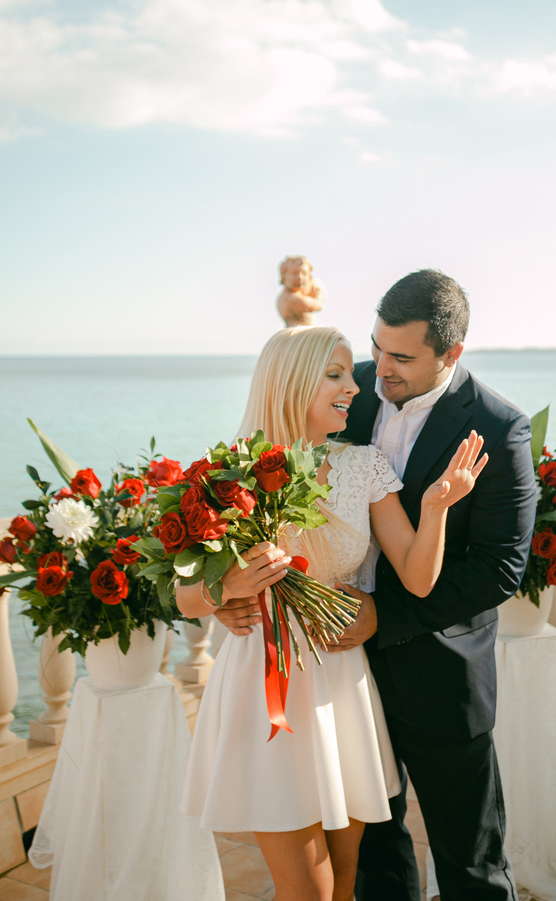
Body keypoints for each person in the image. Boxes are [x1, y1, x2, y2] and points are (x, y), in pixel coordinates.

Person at [218, 270, 538, 901]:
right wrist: (230, 597)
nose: (377, 369)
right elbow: (289, 398)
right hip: (336, 684)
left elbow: (500, 567)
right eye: (376, 347)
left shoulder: (500, 428)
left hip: (437, 673)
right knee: (371, 864)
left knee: (469, 857)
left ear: (450, 354)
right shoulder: (349, 388)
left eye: (401, 357)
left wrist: (377, 617)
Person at [177, 324, 487, 901]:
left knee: (344, 883)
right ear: (293, 382)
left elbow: (418, 579)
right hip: (266, 683)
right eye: (336, 374)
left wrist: (438, 505)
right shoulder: (227, 476)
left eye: (351, 373)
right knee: (310, 890)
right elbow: (185, 596)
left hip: (342, 683)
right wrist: (230, 588)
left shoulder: (364, 466)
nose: (354, 387)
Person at [277, 254, 326, 327]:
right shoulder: (289, 298)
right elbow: (318, 305)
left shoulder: (299, 294)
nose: (299, 277)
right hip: (298, 332)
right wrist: (319, 292)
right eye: (294, 273)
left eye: (304, 274)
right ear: (284, 276)